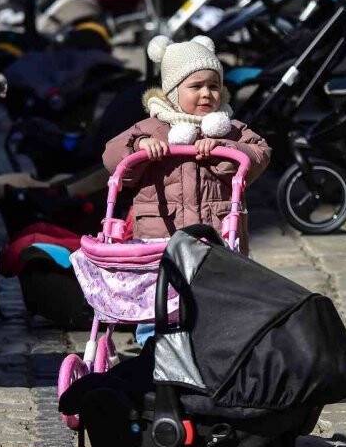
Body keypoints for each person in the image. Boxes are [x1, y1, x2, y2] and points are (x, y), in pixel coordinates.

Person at [102, 35, 271, 347]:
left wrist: (224, 148)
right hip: (160, 239)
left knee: (214, 302)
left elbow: (259, 154)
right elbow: (112, 157)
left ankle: (212, 352)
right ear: (172, 90)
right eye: (196, 87)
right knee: (159, 303)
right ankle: (153, 354)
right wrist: (140, 146)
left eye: (214, 86)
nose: (207, 94)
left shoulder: (230, 129)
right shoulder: (151, 128)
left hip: (215, 235)